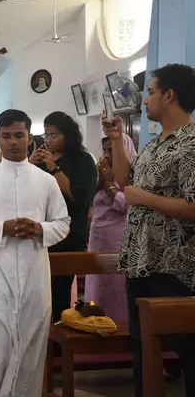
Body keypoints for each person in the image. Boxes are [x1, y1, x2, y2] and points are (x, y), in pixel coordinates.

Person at [0, 109, 70, 396]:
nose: (12, 142)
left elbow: (62, 224)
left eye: (19, 135)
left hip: (34, 275)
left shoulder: (46, 181)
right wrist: (3, 228)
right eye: (6, 136)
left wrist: (40, 229)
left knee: (31, 352)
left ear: (29, 138)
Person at [104, 63, 195, 397]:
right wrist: (116, 140)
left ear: (169, 95)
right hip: (141, 259)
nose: (144, 100)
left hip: (175, 264)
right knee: (142, 344)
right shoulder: (157, 143)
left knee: (186, 348)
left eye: (151, 92)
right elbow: (127, 182)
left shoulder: (190, 145)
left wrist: (145, 199)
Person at [30, 112, 97, 324]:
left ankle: (57, 344)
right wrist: (29, 165)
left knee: (59, 291)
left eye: (54, 135)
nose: (49, 140)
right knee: (36, 291)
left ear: (68, 135)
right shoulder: (39, 161)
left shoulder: (82, 160)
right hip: (39, 231)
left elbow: (79, 197)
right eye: (46, 135)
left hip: (67, 234)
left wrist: (53, 167)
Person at [84, 135, 136, 322]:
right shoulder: (104, 172)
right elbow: (90, 199)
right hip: (98, 238)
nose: (106, 154)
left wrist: (109, 183)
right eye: (104, 150)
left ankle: (119, 325)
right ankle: (95, 321)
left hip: (117, 238)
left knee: (116, 285)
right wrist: (101, 179)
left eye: (111, 150)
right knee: (97, 282)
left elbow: (127, 206)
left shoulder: (131, 174)